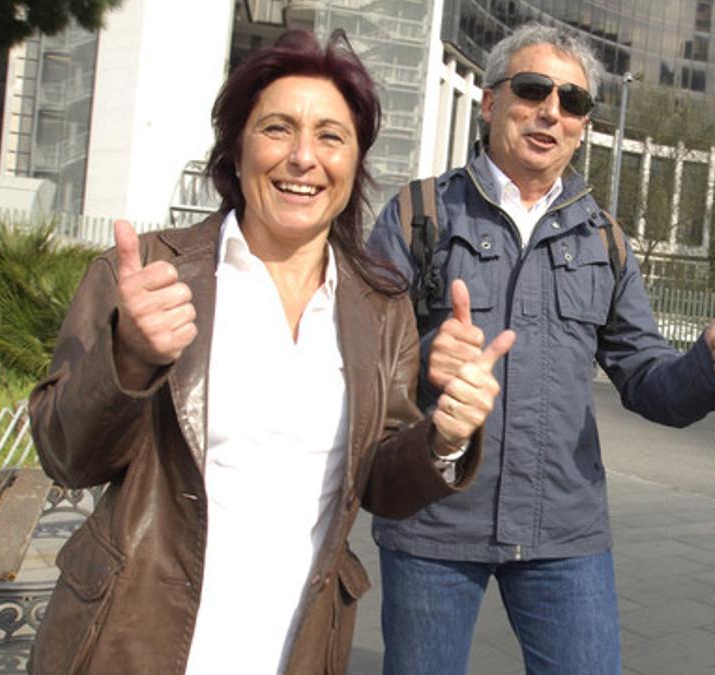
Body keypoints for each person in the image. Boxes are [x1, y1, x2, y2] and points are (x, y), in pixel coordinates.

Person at [27, 30, 512, 675]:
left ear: (355, 161)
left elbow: (380, 485)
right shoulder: (149, 275)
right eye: (278, 129)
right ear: (237, 148)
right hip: (134, 638)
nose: (303, 157)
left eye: (331, 136)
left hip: (297, 647)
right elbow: (66, 457)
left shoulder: (379, 305)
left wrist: (445, 438)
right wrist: (130, 355)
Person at [366, 22, 715, 675]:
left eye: (573, 101)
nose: (552, 110)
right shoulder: (418, 213)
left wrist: (706, 367)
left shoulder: (605, 238)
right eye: (533, 88)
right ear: (490, 103)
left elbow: (648, 380)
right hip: (433, 518)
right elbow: (359, 362)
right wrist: (423, 355)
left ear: (583, 125)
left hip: (563, 530)